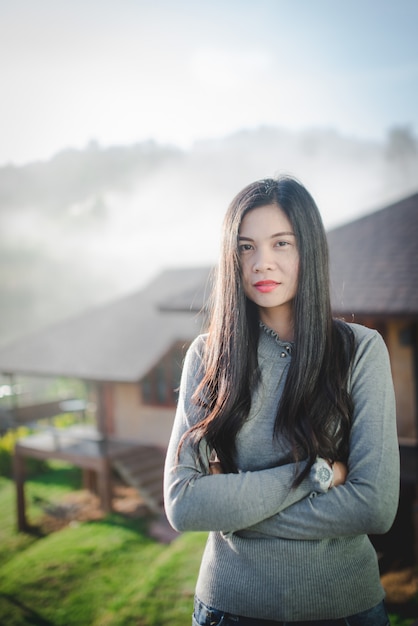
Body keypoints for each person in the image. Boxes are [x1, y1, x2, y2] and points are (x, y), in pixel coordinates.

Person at [163, 176, 399, 626]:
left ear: (308, 248)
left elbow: (375, 505)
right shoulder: (208, 355)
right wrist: (317, 474)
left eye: (281, 244)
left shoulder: (361, 350)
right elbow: (184, 503)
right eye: (246, 247)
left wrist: (235, 505)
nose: (261, 263)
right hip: (229, 608)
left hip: (345, 608)